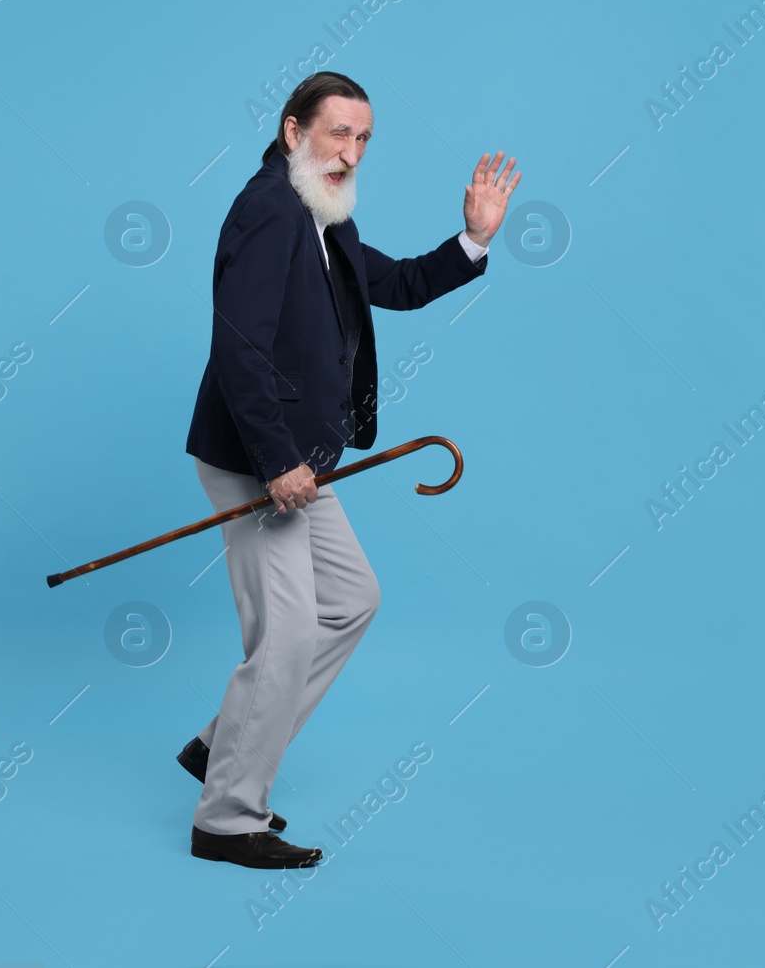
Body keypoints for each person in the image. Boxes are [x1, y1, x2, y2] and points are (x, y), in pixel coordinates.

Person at [181, 70, 520, 869]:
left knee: (352, 600)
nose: (352, 152)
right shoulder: (268, 210)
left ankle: (222, 743)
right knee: (291, 628)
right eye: (339, 133)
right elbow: (240, 347)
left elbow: (393, 284)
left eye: (364, 139)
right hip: (257, 462)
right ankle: (227, 817)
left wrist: (473, 238)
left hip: (301, 463)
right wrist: (275, 463)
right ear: (294, 130)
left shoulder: (321, 214)